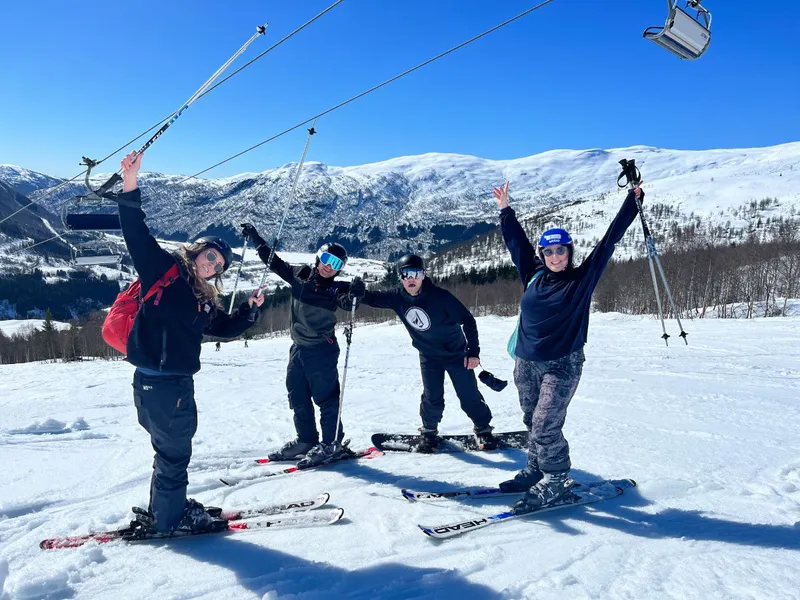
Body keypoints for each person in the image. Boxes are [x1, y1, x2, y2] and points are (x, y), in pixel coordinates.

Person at [117, 151, 264, 534]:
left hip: (160, 385)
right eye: (211, 256)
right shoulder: (164, 271)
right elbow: (136, 233)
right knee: (175, 452)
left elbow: (224, 328)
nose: (213, 265)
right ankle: (170, 519)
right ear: (197, 249)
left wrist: (249, 311)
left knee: (168, 452)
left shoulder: (201, 299)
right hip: (164, 386)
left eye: (219, 266)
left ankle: (167, 505)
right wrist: (130, 183)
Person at [494, 180, 643, 511]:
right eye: (548, 251)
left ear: (569, 251)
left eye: (561, 250)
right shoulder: (532, 274)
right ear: (542, 255)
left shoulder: (581, 280)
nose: (555, 256)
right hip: (526, 361)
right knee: (532, 418)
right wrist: (505, 210)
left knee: (547, 423)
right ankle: (535, 469)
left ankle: (557, 480)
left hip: (563, 363)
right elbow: (516, 243)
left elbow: (609, 241)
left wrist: (632, 201)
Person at [240, 223, 358, 467]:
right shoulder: (301, 276)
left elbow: (348, 301)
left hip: (321, 350)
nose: (328, 266)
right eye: (326, 259)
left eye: (336, 264)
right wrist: (256, 238)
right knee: (297, 394)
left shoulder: (336, 289)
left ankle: (331, 443)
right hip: (298, 348)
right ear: (318, 257)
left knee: (326, 398)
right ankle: (306, 440)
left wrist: (357, 292)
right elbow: (275, 262)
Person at [356, 254, 496, 453]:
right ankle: (429, 432)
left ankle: (483, 429)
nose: (410, 278)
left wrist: (473, 352)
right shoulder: (397, 297)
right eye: (406, 274)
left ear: (423, 275)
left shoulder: (441, 297)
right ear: (401, 277)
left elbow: (468, 321)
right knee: (432, 396)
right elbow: (370, 298)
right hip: (429, 356)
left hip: (456, 354)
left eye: (415, 273)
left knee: (468, 394)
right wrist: (355, 290)